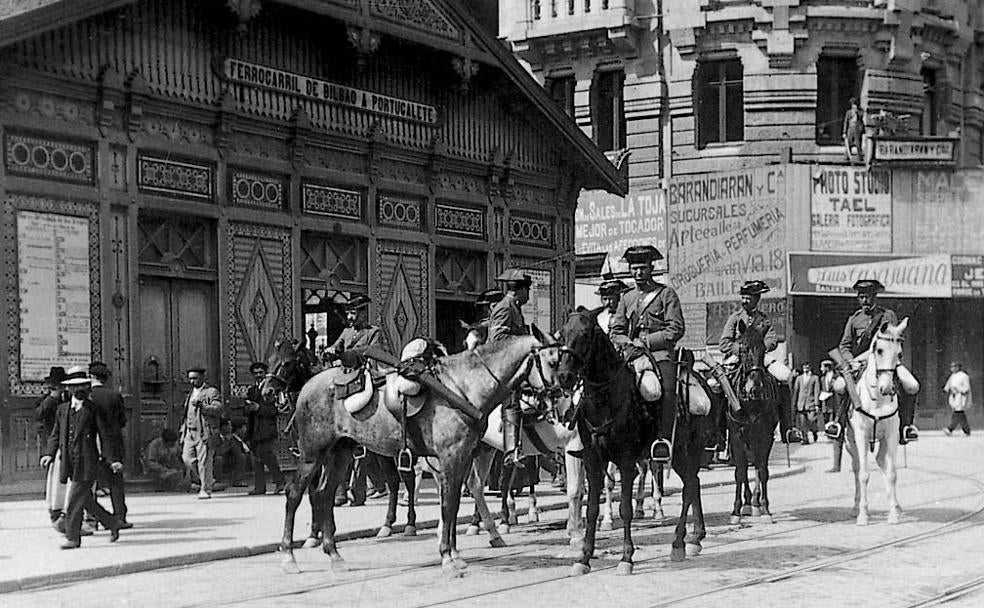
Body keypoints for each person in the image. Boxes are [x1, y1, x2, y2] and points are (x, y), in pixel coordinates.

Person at [609, 245, 685, 463]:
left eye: (642, 268)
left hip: (660, 354)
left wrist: (647, 341)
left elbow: (676, 328)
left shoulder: (666, 294)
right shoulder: (627, 297)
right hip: (631, 355)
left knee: (668, 392)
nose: (638, 273)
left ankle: (663, 440)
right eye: (634, 269)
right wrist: (629, 343)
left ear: (651, 268)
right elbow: (616, 331)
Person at [39, 366, 123, 549]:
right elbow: (55, 434)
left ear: (88, 387)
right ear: (68, 389)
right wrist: (48, 454)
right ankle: (112, 522)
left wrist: (112, 460)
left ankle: (73, 537)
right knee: (85, 501)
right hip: (69, 462)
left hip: (88, 462)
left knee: (74, 500)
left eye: (83, 386)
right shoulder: (62, 410)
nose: (79, 390)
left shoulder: (94, 410)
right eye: (75, 387)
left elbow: (105, 436)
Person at [836, 278, 919, 444]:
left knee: (912, 385)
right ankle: (839, 424)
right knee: (840, 385)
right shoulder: (854, 320)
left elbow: (893, 339)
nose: (865, 301)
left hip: (886, 364)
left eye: (868, 297)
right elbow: (844, 346)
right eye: (861, 297)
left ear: (875, 297)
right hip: (859, 364)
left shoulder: (888, 316)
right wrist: (851, 361)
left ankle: (906, 426)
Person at [331, 294, 383, 507]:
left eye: (354, 313)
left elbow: (373, 353)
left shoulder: (374, 332)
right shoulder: (346, 332)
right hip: (345, 375)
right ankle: (341, 492)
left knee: (361, 449)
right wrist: (332, 351)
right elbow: (337, 347)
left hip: (364, 375)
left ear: (363, 313)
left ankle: (359, 492)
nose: (351, 317)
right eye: (349, 313)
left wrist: (351, 355)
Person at [489, 269, 533, 466]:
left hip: (517, 363)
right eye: (527, 291)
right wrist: (524, 342)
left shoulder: (515, 307)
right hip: (503, 366)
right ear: (520, 291)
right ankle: (511, 449)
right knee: (512, 401)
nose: (528, 295)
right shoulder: (504, 307)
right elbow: (496, 339)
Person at [88, 361, 131, 529]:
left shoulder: (87, 396)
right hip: (112, 444)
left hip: (91, 444)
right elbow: (122, 421)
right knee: (115, 483)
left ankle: (93, 520)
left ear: (91, 377)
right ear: (105, 379)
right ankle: (120, 517)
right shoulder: (114, 396)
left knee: (89, 483)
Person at [180, 366, 225, 500]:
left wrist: (204, 406)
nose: (192, 381)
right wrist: (183, 431)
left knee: (204, 461)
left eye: (195, 378)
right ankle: (209, 480)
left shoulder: (211, 392)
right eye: (190, 379)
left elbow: (218, 409)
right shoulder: (190, 393)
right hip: (190, 432)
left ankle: (205, 489)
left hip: (204, 431)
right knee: (187, 459)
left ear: (203, 378)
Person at [245, 361, 285, 495]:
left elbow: (275, 410)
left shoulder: (272, 390)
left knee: (268, 457)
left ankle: (280, 482)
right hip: (254, 429)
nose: (258, 376)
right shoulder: (251, 390)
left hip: (267, 429)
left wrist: (259, 408)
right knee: (256, 459)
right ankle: (260, 487)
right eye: (255, 373)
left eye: (260, 373)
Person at [36, 366, 67, 527]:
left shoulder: (69, 398)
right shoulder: (46, 399)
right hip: (51, 442)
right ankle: (54, 510)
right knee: (52, 478)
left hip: (67, 443)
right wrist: (52, 397)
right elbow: (39, 415)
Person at [213, 418, 249, 487]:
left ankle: (238, 480)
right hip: (218, 459)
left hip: (229, 459)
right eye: (229, 426)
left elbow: (238, 451)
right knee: (218, 459)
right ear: (223, 427)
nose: (231, 428)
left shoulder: (233, 438)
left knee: (241, 457)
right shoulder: (216, 437)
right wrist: (227, 442)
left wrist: (232, 442)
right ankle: (217, 481)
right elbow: (219, 451)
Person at [792, 362, 820, 444]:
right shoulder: (799, 378)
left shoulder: (815, 378)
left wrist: (817, 404)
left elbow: (816, 391)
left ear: (810, 368)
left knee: (811, 420)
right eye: (804, 367)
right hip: (801, 404)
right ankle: (805, 439)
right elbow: (796, 391)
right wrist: (794, 403)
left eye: (807, 367)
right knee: (803, 423)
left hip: (811, 403)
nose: (805, 369)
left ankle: (814, 431)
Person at [943, 361, 972, 436]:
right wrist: (946, 389)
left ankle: (950, 428)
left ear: (958, 367)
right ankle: (966, 430)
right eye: (952, 367)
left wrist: (960, 390)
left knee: (958, 412)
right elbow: (949, 384)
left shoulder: (964, 376)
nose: (952, 369)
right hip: (954, 396)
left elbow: (966, 387)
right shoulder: (952, 376)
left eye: (954, 367)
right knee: (959, 413)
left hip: (961, 396)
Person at [843, 97, 865, 163]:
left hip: (857, 129)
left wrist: (856, 112)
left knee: (858, 143)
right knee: (849, 142)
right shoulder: (848, 112)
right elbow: (846, 122)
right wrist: (844, 132)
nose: (854, 106)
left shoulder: (860, 111)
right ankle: (847, 157)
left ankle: (860, 157)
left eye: (855, 104)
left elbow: (861, 117)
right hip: (850, 128)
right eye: (852, 104)